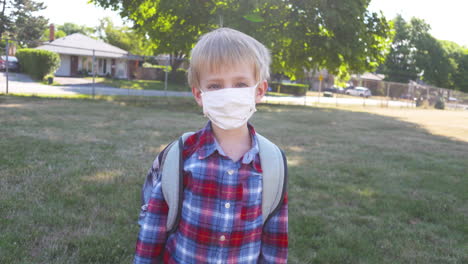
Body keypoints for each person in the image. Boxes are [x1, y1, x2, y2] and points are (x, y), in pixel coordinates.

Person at [134, 27, 288, 264]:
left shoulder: (272, 163)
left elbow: (274, 240)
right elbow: (154, 224)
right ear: (199, 94)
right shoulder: (181, 155)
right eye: (215, 86)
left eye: (240, 84)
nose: (228, 95)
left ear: (259, 90)